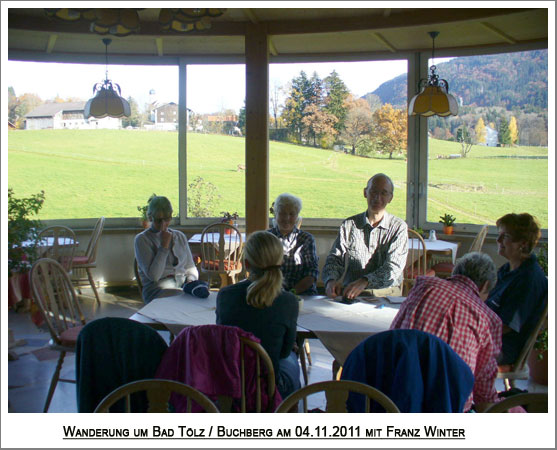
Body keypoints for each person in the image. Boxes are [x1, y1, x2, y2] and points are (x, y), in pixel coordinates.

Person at [390, 252, 502, 412]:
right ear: (485, 286)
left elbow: (393, 333)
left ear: (455, 272)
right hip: (448, 407)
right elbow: (484, 395)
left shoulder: (423, 286)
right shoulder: (489, 319)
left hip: (393, 400)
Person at [216, 231, 301, 399]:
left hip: (232, 383)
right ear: (281, 261)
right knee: (291, 357)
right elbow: (283, 352)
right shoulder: (289, 301)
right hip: (271, 387)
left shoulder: (225, 295)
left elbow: (223, 340)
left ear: (246, 264)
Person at [322, 173, 408, 300]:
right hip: (350, 293)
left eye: (384, 193)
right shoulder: (349, 225)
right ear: (365, 193)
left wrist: (364, 282)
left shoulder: (398, 227)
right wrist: (330, 280)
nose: (377, 198)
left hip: (386, 294)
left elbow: (393, 268)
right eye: (373, 191)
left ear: (391, 198)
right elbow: (335, 259)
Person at [486, 213, 548, 365]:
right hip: (490, 337)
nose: (498, 240)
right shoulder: (509, 269)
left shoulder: (528, 279)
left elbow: (506, 326)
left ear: (523, 243)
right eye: (499, 235)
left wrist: (472, 332)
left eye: (505, 236)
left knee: (448, 352)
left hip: (504, 347)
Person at [134, 196, 198, 303]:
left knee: (203, 297)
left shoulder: (179, 236)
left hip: (182, 285)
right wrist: (163, 247)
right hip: (157, 289)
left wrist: (191, 280)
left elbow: (190, 267)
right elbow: (154, 276)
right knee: (182, 300)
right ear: (150, 218)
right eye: (159, 220)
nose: (163, 224)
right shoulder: (142, 240)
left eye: (167, 219)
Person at [268, 193, 319, 295]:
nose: (287, 218)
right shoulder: (267, 238)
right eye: (282, 213)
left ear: (297, 216)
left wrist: (292, 293)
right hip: (273, 294)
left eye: (292, 214)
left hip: (302, 294)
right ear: (275, 214)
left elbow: (311, 273)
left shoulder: (306, 239)